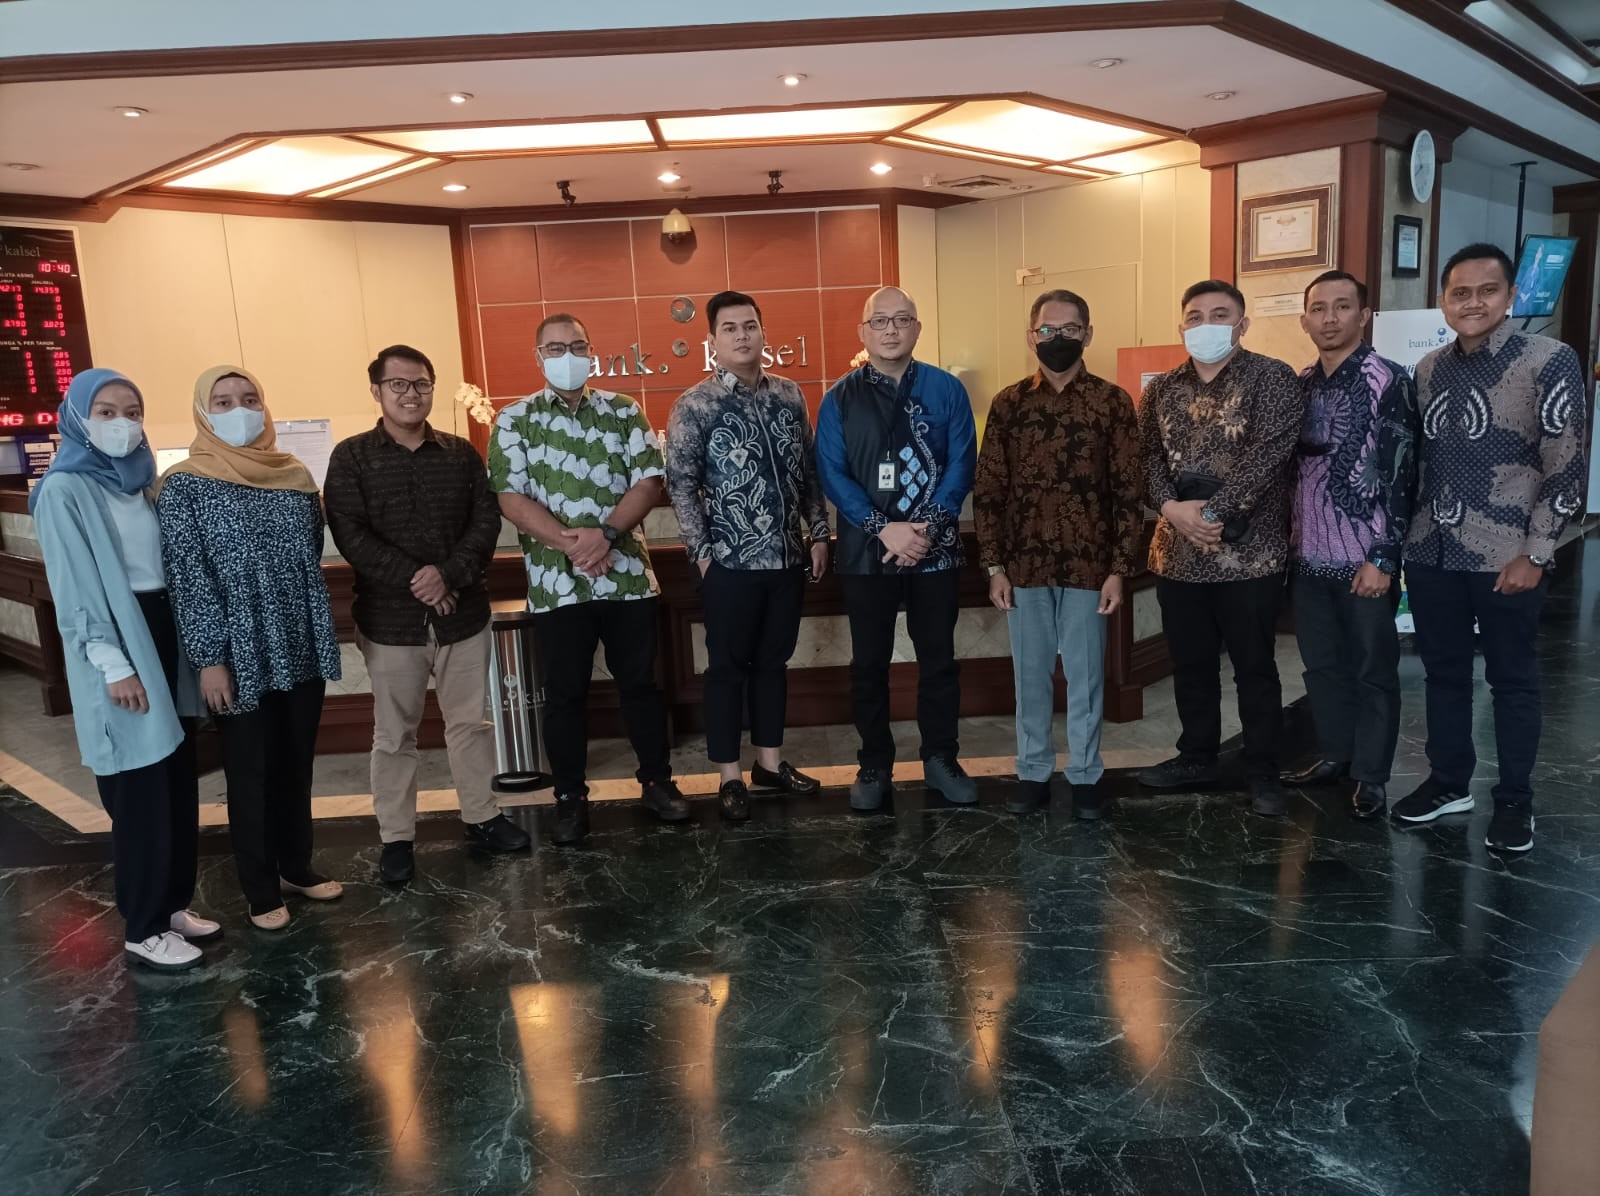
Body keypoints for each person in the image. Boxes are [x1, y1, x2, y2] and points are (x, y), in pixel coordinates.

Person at [1392, 243, 1587, 853]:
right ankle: (1450, 782)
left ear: (1510, 296)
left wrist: (1537, 551)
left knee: (1512, 680)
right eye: (1460, 293)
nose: (1472, 303)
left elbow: (1566, 463)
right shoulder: (1429, 368)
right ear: (1443, 300)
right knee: (1444, 675)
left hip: (1507, 554)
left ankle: (1515, 800)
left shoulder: (1548, 359)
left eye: (1487, 290)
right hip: (1432, 550)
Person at [30, 369, 218, 970]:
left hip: (163, 630)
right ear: (78, 418)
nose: (122, 424)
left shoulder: (142, 482)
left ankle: (171, 906)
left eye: (132, 412)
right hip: (119, 640)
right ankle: (143, 925)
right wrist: (114, 666)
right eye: (106, 412)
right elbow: (74, 590)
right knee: (139, 791)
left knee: (175, 780)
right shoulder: (64, 490)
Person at [323, 344, 528, 885]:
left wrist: (448, 576)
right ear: (377, 391)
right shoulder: (351, 457)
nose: (411, 394)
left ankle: (482, 817)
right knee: (394, 735)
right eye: (399, 384)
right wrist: (420, 580)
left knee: (471, 725)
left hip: (463, 616)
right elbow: (349, 533)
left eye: (421, 384)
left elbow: (485, 524)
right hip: (390, 624)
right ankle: (396, 837)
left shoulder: (461, 454)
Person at [488, 313, 689, 846]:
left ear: (591, 351)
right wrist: (574, 544)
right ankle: (570, 799)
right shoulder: (514, 419)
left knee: (640, 686)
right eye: (556, 348)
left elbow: (649, 481)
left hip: (627, 580)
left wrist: (606, 534)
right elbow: (510, 497)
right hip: (557, 584)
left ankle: (657, 782)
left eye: (577, 346)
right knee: (565, 695)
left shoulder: (623, 410)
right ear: (538, 356)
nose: (568, 355)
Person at [156, 365, 344, 930]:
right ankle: (260, 887)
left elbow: (310, 552)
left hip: (298, 641)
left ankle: (296, 865)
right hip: (237, 650)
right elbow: (188, 577)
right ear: (202, 411)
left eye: (249, 398)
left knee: (296, 762)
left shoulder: (295, 475)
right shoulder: (184, 485)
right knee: (250, 769)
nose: (239, 409)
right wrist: (210, 659)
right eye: (223, 400)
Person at [974, 289, 1142, 820]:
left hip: (1090, 567)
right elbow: (989, 490)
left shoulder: (1113, 403)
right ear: (1031, 337)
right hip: (1023, 566)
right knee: (1030, 679)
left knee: (1087, 678)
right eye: (1047, 329)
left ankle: (1086, 775)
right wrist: (994, 566)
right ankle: (1033, 772)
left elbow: (1128, 493)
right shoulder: (1008, 404)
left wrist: (1119, 569)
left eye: (1069, 329)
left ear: (1087, 334)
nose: (1058, 338)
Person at [1137, 280, 1304, 815]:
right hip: (1177, 557)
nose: (1205, 324)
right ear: (1181, 325)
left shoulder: (1272, 378)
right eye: (1195, 316)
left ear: (1242, 324)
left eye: (1219, 314)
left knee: (1254, 667)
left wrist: (1209, 515)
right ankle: (1196, 757)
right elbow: (1145, 459)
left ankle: (1262, 770)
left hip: (1248, 558)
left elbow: (1268, 456)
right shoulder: (1160, 389)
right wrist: (1172, 509)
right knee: (1191, 665)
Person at [665, 291, 830, 821]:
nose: (742, 335)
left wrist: (819, 533)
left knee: (773, 665)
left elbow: (809, 471)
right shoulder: (695, 404)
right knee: (727, 670)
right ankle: (730, 775)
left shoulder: (789, 394)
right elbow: (680, 485)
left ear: (763, 332)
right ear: (713, 340)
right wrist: (703, 555)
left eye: (750, 326)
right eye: (730, 328)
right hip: (730, 565)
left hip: (786, 560)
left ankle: (769, 764)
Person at [817, 285, 978, 811]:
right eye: (880, 321)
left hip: (936, 550)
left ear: (917, 328)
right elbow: (831, 472)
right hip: (867, 553)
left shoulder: (946, 389)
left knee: (939, 661)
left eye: (902, 319)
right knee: (869, 664)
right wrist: (883, 528)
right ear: (863, 332)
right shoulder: (839, 397)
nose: (891, 329)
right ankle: (874, 764)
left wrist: (925, 528)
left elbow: (962, 463)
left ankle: (941, 759)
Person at [1281, 271, 1419, 820]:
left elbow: (1404, 475)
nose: (1330, 318)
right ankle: (1336, 755)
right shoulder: (1300, 384)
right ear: (1305, 320)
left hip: (1366, 559)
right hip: (1308, 557)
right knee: (1321, 667)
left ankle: (1371, 775)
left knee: (1372, 671)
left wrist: (1384, 556)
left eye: (1342, 307)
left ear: (1363, 315)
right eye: (1319, 308)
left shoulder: (1390, 379)